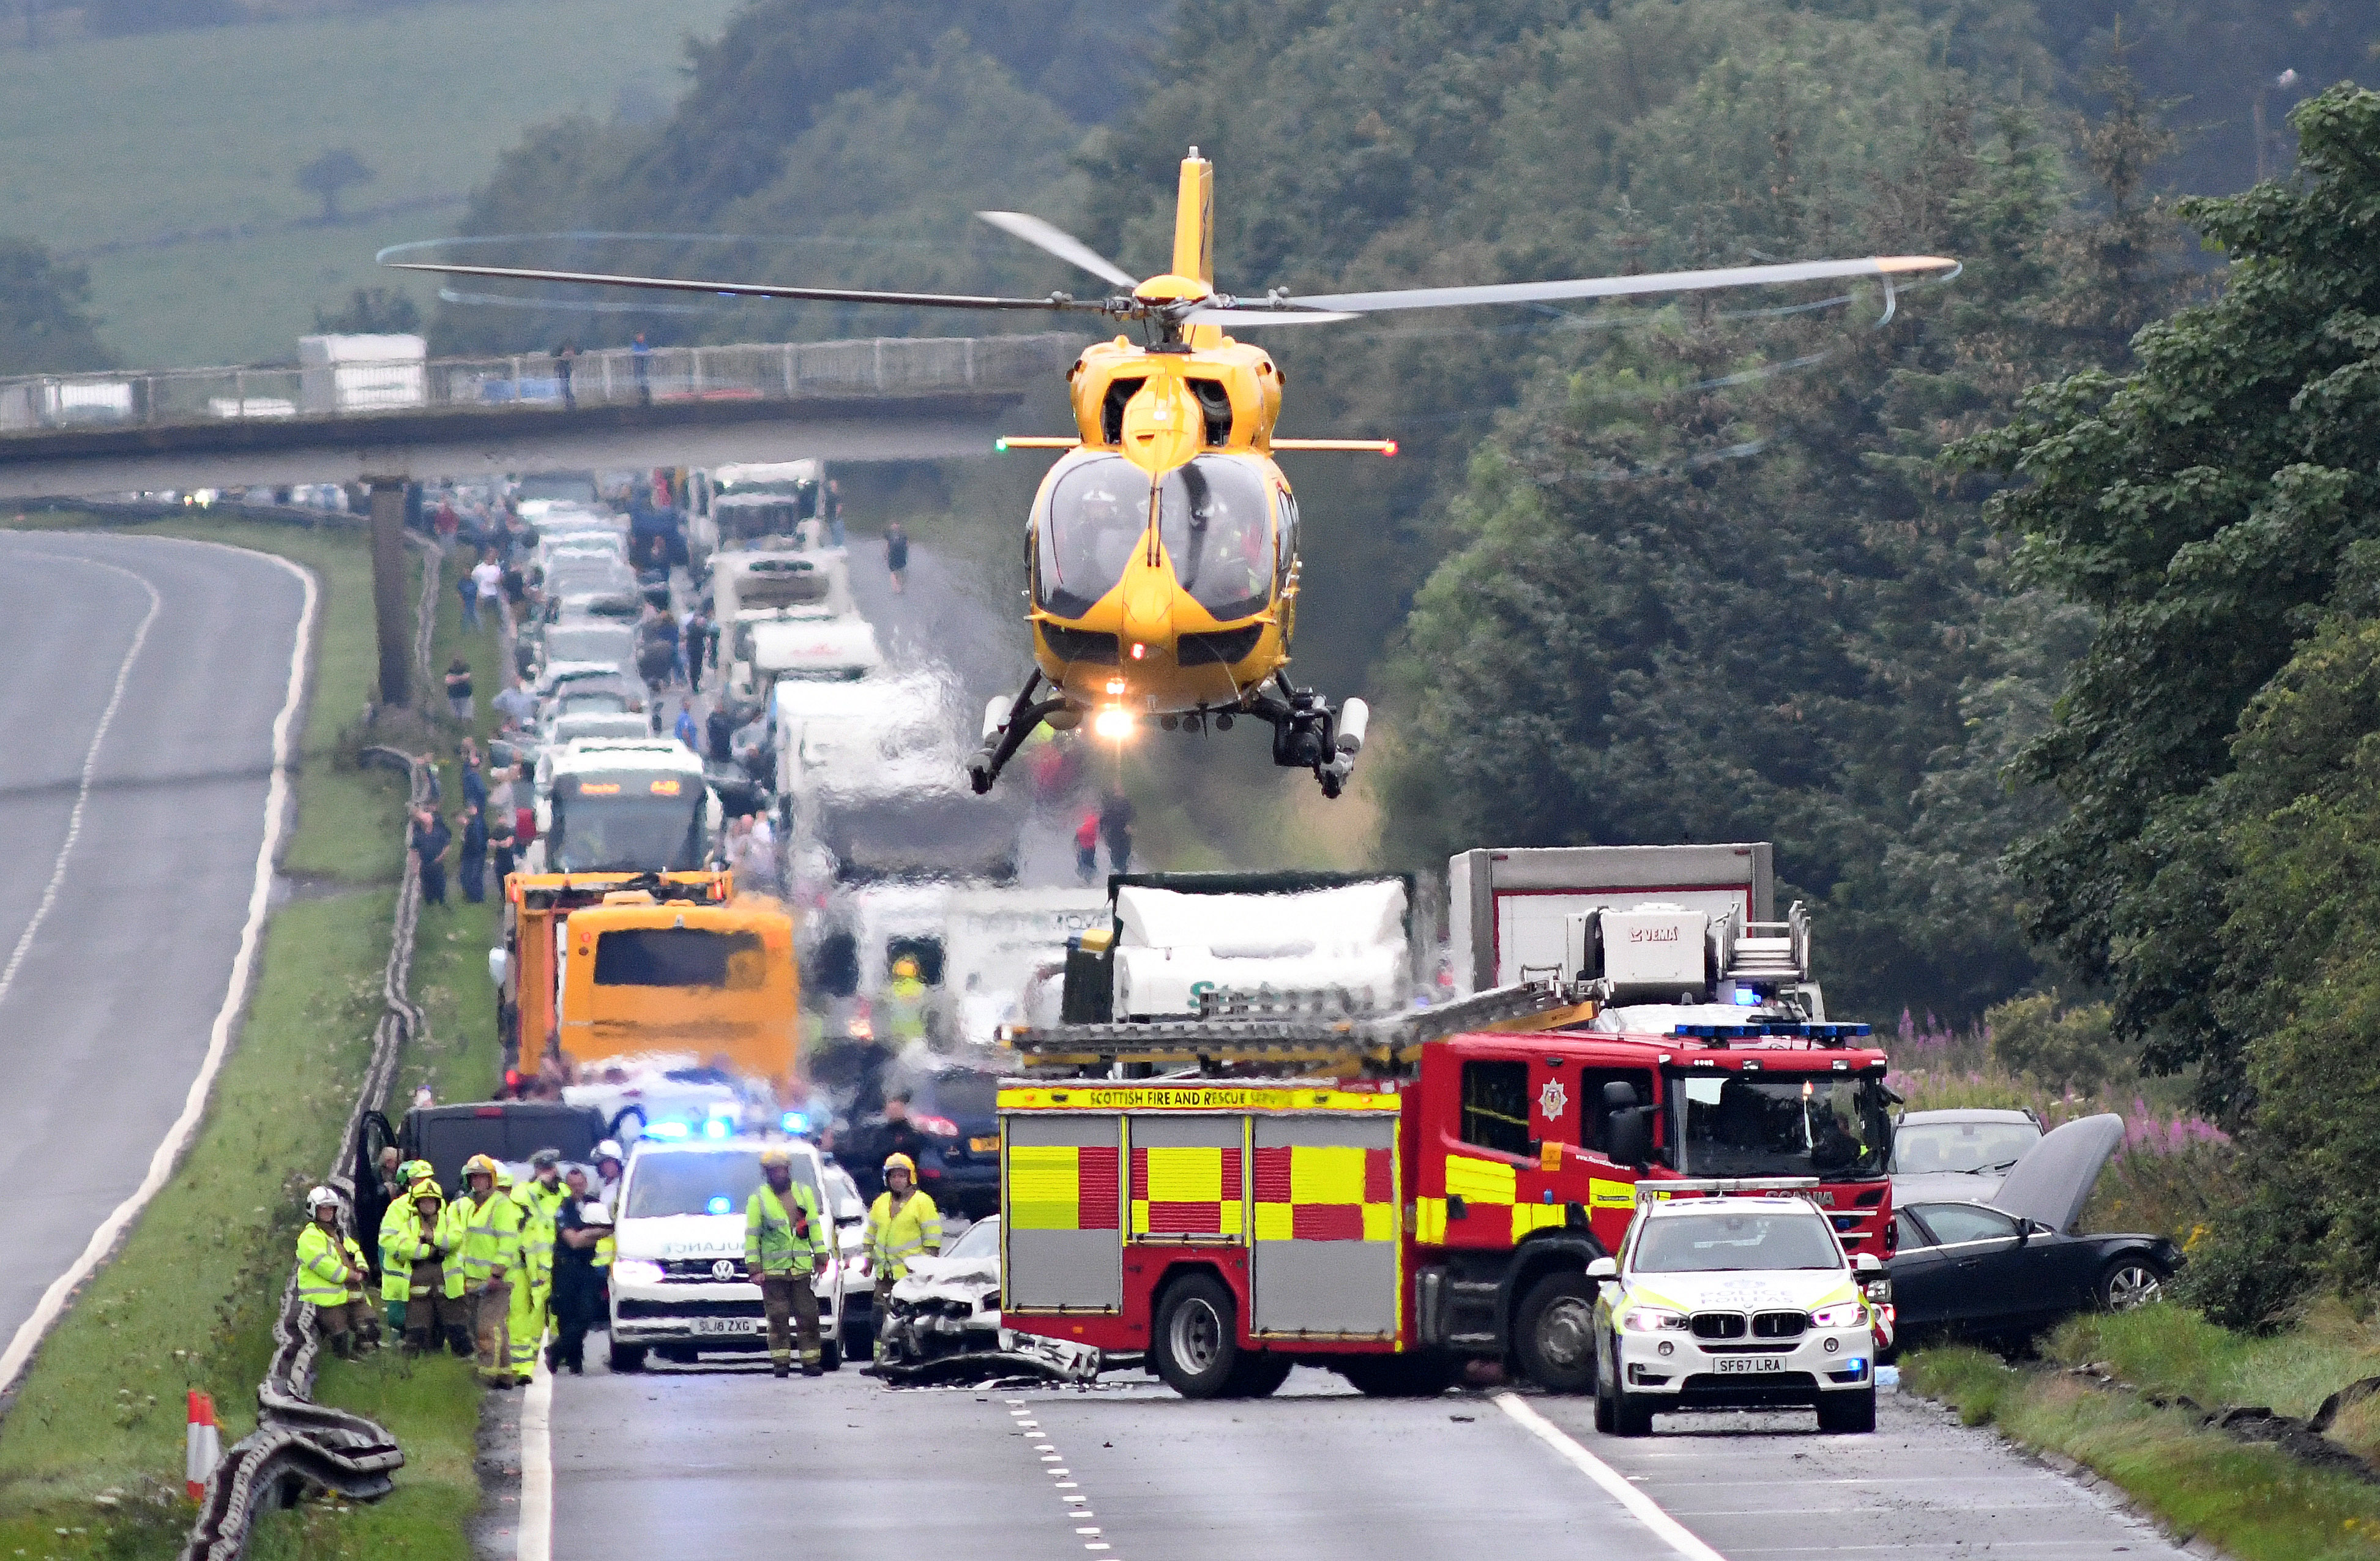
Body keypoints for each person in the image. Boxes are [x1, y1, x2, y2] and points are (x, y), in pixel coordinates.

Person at [744, 1146, 826, 1377]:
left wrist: (821, 1256)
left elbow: (814, 1227)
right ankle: (781, 1363)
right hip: (773, 1272)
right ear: (767, 1173)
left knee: (808, 1316)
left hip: (800, 1270)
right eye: (774, 1170)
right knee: (778, 1319)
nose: (779, 1173)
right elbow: (752, 1236)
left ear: (789, 1170)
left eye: (782, 1169)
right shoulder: (758, 1199)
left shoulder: (803, 1192)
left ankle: (811, 1362)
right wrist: (755, 1269)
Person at [441, 1155, 521, 1387]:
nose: (478, 1182)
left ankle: (486, 1375)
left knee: (487, 1328)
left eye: (482, 1177)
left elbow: (508, 1243)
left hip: (497, 1279)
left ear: (491, 1180)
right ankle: (506, 1374)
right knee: (494, 1326)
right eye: (474, 1177)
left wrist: (497, 1273)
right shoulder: (469, 1205)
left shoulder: (501, 1205)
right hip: (475, 1278)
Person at [862, 1153, 942, 1351]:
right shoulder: (880, 1203)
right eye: (893, 1176)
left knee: (907, 1322)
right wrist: (868, 1261)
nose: (897, 1180)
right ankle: (880, 1358)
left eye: (901, 1176)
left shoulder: (923, 1202)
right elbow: (870, 1235)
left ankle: (908, 1356)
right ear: (887, 1179)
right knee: (879, 1320)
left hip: (910, 1278)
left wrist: (927, 1268)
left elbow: (932, 1239)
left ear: (911, 1178)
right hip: (885, 1276)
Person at [388, 1175, 467, 1355]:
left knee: (457, 1330)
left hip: (448, 1289)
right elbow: (404, 1247)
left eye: (432, 1201)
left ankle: (462, 1362)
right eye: (424, 1202)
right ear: (418, 1205)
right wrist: (430, 1251)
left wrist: (432, 1238)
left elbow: (455, 1240)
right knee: (416, 1332)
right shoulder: (409, 1225)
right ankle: (416, 1364)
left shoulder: (449, 1222)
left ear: (438, 1204)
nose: (428, 1205)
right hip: (418, 1290)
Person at [297, 1186, 378, 1358]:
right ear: (314, 1210)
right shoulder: (309, 1236)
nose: (327, 1212)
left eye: (330, 1208)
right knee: (339, 1335)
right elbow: (324, 1266)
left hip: (351, 1293)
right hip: (327, 1301)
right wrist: (352, 1276)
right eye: (323, 1209)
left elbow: (355, 1251)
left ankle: (366, 1363)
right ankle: (344, 1363)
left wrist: (362, 1269)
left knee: (370, 1326)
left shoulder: (338, 1233)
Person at [509, 1150, 567, 1384]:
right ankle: (523, 1367)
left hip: (559, 1265)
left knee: (559, 1316)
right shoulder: (525, 1192)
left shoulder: (564, 1193)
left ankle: (559, 1358)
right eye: (542, 1168)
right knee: (529, 1318)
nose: (547, 1173)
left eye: (550, 1168)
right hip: (533, 1268)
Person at [547, 1169, 603, 1374]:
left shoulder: (595, 1205)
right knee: (567, 1314)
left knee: (587, 1314)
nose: (577, 1189)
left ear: (586, 1183)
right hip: (566, 1267)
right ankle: (573, 1361)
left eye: (580, 1185)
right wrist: (594, 1234)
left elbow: (610, 1227)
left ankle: (555, 1350)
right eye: (572, 1185)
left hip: (587, 1267)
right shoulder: (564, 1208)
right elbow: (574, 1241)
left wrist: (588, 1234)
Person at [411, 807, 451, 907]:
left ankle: (442, 902)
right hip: (425, 863)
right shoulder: (419, 834)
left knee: (440, 883)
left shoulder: (439, 830)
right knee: (427, 885)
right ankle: (430, 904)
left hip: (437, 862)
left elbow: (447, 845)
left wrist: (441, 857)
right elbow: (414, 850)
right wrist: (415, 866)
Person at [1099, 788, 1136, 875]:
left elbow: (1133, 816)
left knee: (1123, 853)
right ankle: (1119, 870)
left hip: (1122, 833)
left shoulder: (1126, 804)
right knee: (1117, 853)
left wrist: (1131, 826)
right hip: (1114, 833)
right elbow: (1103, 820)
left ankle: (1122, 870)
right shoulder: (1110, 806)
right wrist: (1103, 831)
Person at [458, 802, 488, 904]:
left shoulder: (477, 822)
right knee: (469, 875)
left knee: (474, 875)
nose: (470, 810)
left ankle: (476, 898)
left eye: (471, 808)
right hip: (473, 853)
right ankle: (471, 897)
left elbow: (477, 838)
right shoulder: (475, 822)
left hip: (475, 853)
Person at [472, 551, 505, 633]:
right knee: (481, 613)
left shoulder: (496, 568)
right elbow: (474, 578)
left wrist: (497, 581)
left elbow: (501, 580)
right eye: (491, 556)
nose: (492, 558)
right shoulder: (479, 568)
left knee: (497, 614)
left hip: (494, 595)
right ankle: (481, 630)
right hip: (483, 595)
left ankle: (499, 629)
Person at [489, 806, 519, 888]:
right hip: (498, 860)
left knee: (511, 882)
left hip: (509, 859)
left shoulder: (510, 831)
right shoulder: (495, 832)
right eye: (499, 818)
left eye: (503, 818)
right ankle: (503, 897)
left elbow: (507, 844)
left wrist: (498, 843)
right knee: (500, 882)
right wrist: (501, 843)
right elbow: (491, 844)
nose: (501, 820)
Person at [1073, 809, 1100, 885]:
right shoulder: (1095, 822)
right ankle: (1091, 878)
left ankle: (1086, 879)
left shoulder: (1084, 821)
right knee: (1089, 862)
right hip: (1090, 846)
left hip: (1084, 846)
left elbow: (1078, 836)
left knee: (1083, 862)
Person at [444, 657, 474, 724]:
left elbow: (466, 677)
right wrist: (461, 679)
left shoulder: (464, 669)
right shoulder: (451, 671)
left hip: (462, 695)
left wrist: (455, 679)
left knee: (464, 716)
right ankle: (461, 728)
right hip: (458, 695)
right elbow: (449, 681)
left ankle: (464, 727)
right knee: (460, 715)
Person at [884, 519, 909, 595]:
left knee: (897, 572)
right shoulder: (902, 534)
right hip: (898, 555)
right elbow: (907, 545)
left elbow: (888, 545)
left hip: (897, 555)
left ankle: (897, 588)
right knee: (896, 572)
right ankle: (898, 588)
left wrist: (885, 554)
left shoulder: (891, 535)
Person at [823, 479, 846, 550]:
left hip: (835, 519)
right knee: (837, 537)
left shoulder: (834, 496)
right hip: (833, 519)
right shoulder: (831, 495)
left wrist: (836, 516)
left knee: (837, 537)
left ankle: (837, 550)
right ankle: (837, 550)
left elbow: (839, 506)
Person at [631, 331, 652, 405]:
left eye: (642, 337)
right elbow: (636, 352)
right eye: (640, 337)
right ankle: (639, 392)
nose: (641, 338)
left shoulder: (645, 344)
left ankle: (646, 393)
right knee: (639, 377)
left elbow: (647, 351)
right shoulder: (635, 345)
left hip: (644, 364)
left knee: (644, 377)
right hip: (638, 363)